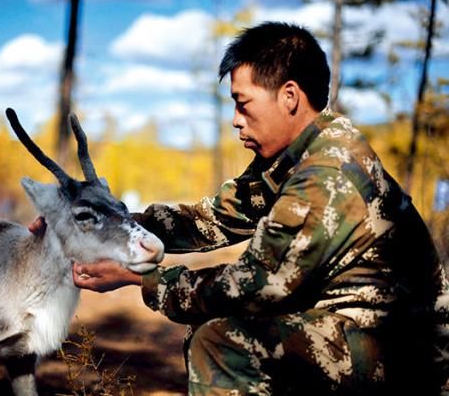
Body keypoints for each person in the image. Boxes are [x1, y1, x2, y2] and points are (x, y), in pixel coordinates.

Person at [69, 22, 449, 395]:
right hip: (353, 332)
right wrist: (105, 226)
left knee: (223, 344)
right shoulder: (290, 158)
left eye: (243, 103)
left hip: (405, 355)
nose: (235, 120)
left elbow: (253, 284)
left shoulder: (326, 172)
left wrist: (140, 279)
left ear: (289, 96)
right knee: (219, 327)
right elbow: (211, 218)